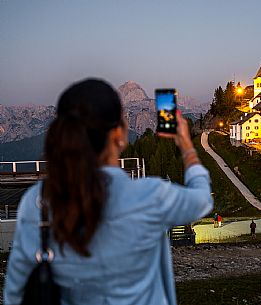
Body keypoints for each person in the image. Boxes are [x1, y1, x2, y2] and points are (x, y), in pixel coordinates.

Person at [4, 79, 213, 305]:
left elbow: (15, 294)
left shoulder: (37, 203)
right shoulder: (150, 196)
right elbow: (202, 199)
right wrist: (186, 146)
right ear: (119, 135)